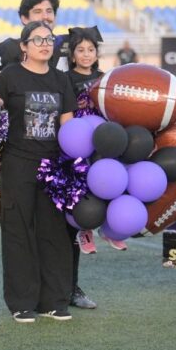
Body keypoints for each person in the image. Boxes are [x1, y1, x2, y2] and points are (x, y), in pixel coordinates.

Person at [0, 21, 77, 323]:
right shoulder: (10, 76)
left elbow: (69, 126)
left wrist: (72, 167)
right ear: (24, 46)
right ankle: (22, 302)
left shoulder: (60, 79)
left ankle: (54, 300)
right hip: (17, 164)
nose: (45, 44)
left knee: (54, 233)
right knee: (18, 232)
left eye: (49, 39)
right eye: (38, 39)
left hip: (53, 167)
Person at [63, 26, 109, 311]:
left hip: (100, 151)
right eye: (80, 50)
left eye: (90, 50)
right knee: (69, 222)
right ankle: (66, 288)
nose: (86, 54)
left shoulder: (106, 79)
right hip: (73, 152)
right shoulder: (65, 80)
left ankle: (105, 227)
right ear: (72, 55)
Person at [0, 0, 69, 73]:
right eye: (37, 11)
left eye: (49, 11)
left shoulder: (69, 44)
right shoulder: (10, 48)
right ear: (25, 19)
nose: (45, 16)